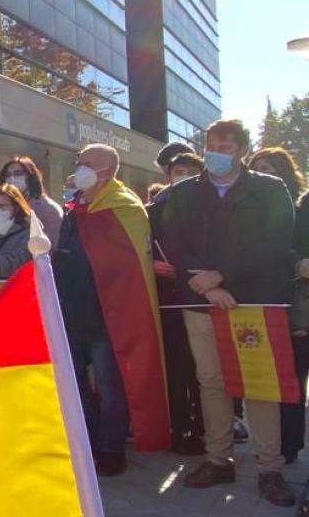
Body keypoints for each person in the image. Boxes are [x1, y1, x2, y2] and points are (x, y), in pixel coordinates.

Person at [160, 121, 296, 504]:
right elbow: (173, 240)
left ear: (242, 149)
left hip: (252, 301)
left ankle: (269, 468)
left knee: (259, 383)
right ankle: (218, 459)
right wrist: (207, 284)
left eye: (225, 145)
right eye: (210, 144)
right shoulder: (184, 192)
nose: (215, 151)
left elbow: (275, 241)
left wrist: (224, 276)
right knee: (211, 381)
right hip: (201, 300)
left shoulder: (269, 189)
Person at [55, 144, 168, 478]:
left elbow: (129, 266)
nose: (80, 169)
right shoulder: (74, 208)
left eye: (87, 164)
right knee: (75, 382)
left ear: (107, 170)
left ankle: (110, 448)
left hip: (108, 314)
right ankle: (86, 440)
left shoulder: (125, 207)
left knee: (110, 385)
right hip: (72, 311)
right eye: (78, 163)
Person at [248, 147, 309, 464]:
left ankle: (288, 444)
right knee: (280, 380)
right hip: (270, 303)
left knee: (294, 378)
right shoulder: (247, 208)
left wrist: (298, 261)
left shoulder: (301, 206)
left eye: (269, 168)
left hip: (297, 303)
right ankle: (278, 445)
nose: (263, 174)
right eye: (256, 168)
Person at [147, 150, 206, 456]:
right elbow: (140, 249)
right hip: (167, 299)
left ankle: (205, 428)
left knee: (204, 370)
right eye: (177, 171)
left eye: (191, 171)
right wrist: (152, 265)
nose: (183, 176)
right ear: (168, 177)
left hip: (202, 297)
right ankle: (179, 426)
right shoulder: (152, 211)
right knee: (174, 366)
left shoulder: (212, 210)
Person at [0, 156, 63, 249]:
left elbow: (50, 247)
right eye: (8, 175)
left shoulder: (48, 208)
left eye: (18, 174)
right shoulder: (4, 206)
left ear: (31, 177)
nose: (12, 178)